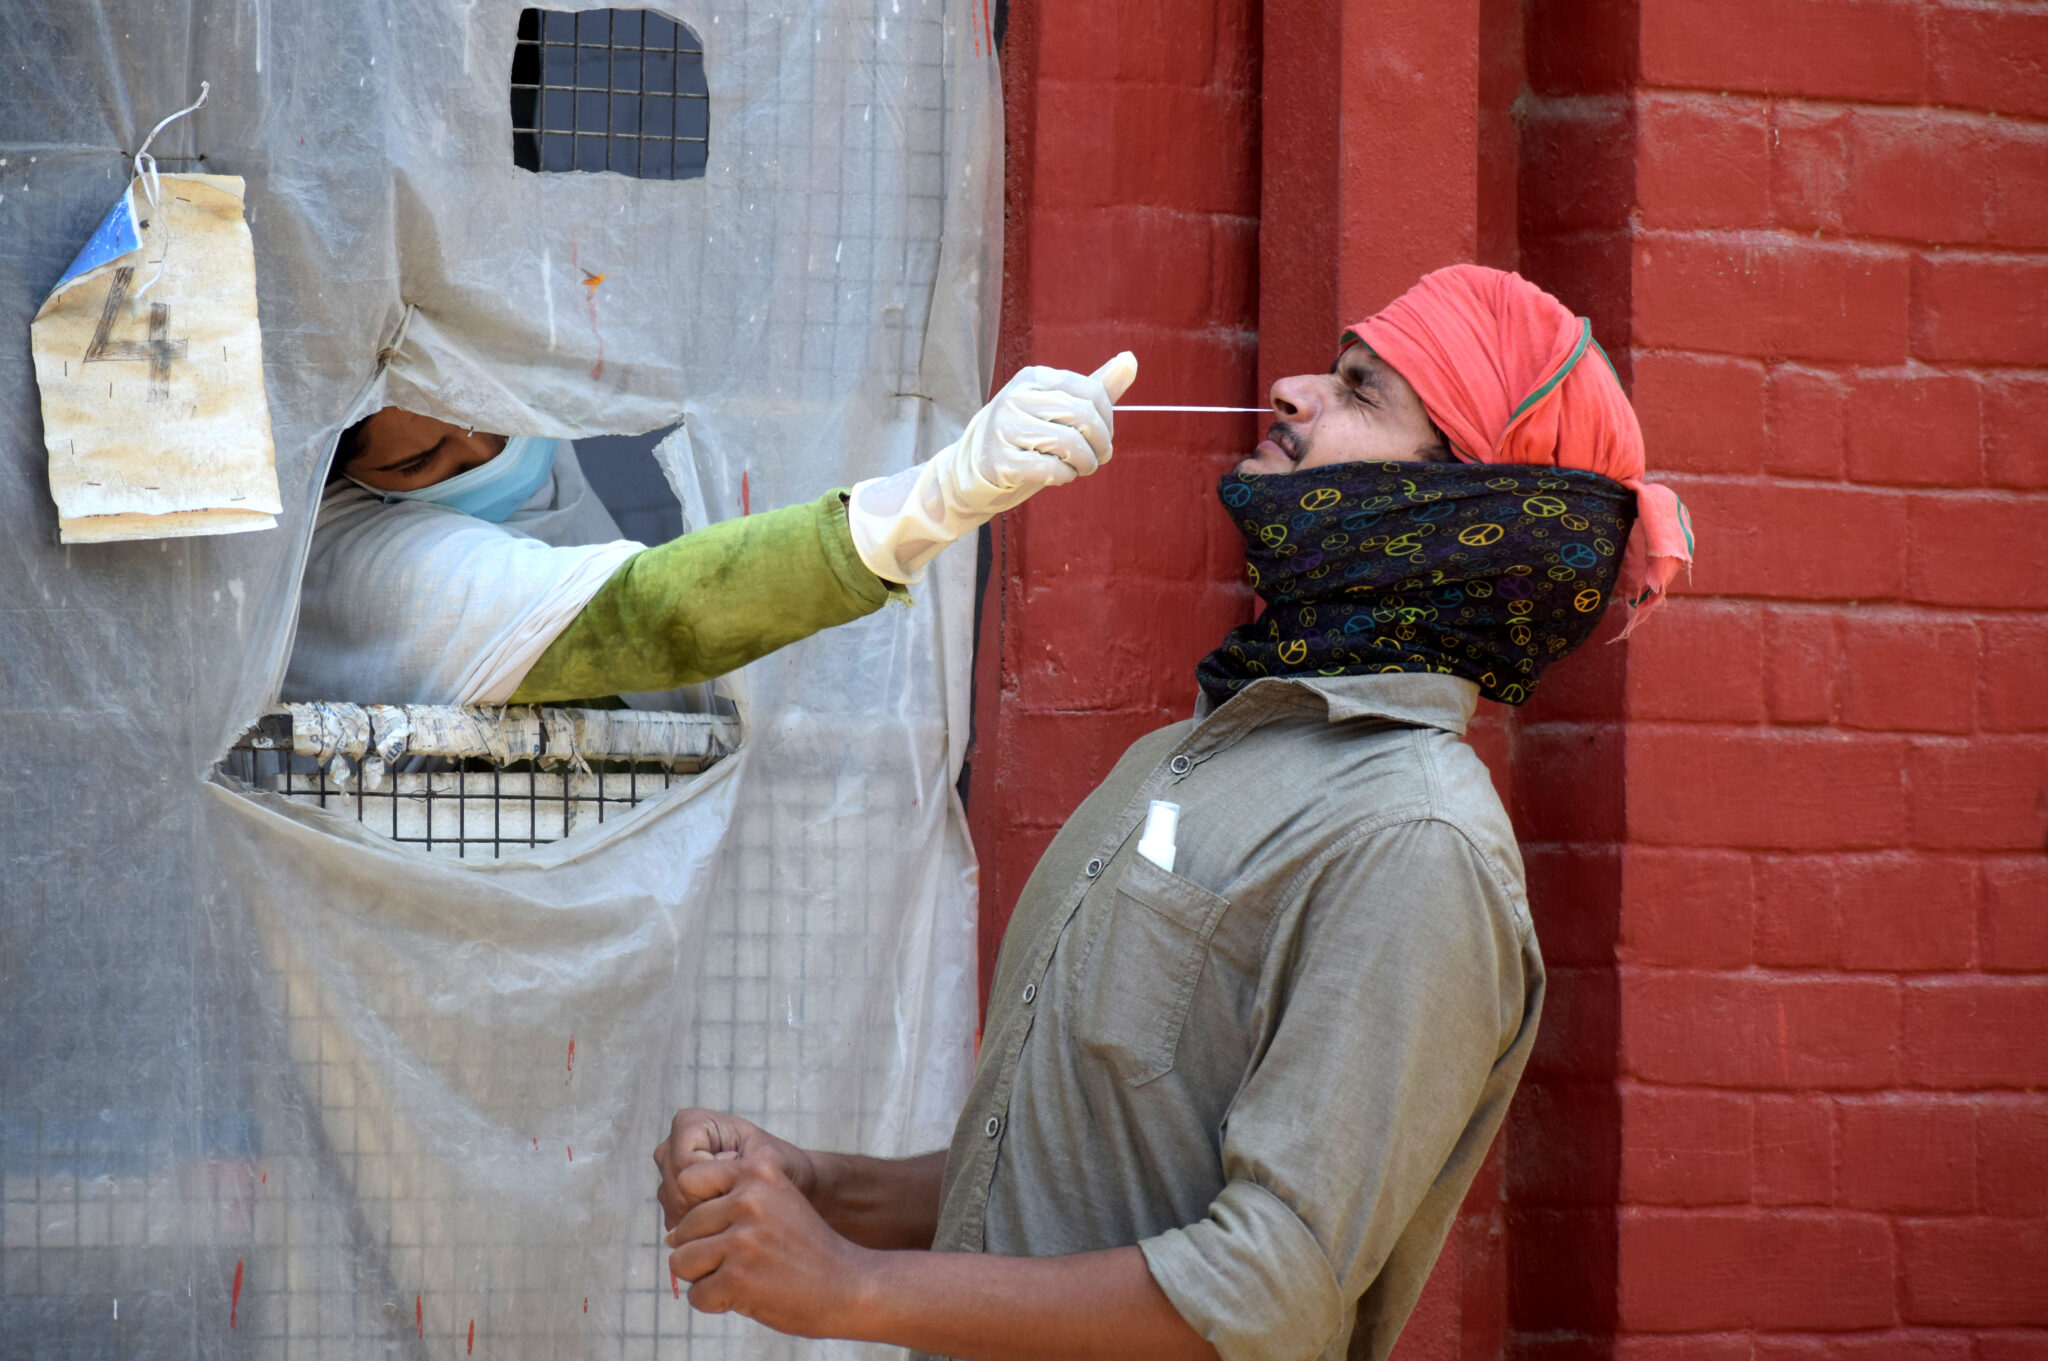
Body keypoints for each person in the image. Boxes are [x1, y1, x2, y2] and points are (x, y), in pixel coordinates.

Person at [648, 265, 1697, 1361]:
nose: (1291, 390)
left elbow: (1263, 1291)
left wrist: (853, 1289)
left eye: (1357, 389)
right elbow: (1070, 1177)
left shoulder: (1413, 841)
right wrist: (820, 1187)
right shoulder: (1192, 751)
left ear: (1463, 509)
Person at [283, 354, 1138, 706]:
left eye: (477, 412)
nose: (482, 452)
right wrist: (933, 500)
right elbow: (649, 615)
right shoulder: (356, 564)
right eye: (421, 461)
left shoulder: (536, 434)